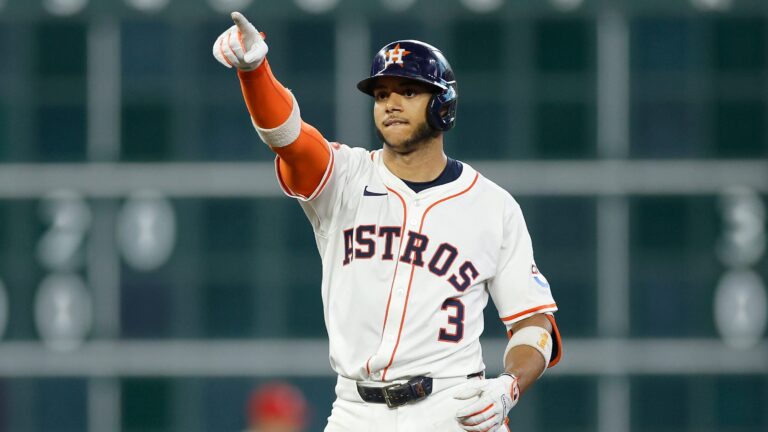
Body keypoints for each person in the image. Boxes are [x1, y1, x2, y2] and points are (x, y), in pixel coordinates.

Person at [213, 12, 562, 431]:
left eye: (408, 91)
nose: (391, 103)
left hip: (453, 405)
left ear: (443, 103)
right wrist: (255, 73)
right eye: (381, 94)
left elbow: (534, 325)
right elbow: (287, 136)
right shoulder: (344, 177)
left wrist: (508, 385)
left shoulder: (493, 206)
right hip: (355, 409)